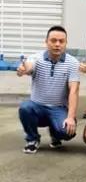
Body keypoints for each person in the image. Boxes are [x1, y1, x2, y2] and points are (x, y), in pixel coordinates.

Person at [17, 25, 79, 154]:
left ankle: (55, 132)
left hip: (58, 108)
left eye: (61, 41)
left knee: (67, 132)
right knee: (25, 108)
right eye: (53, 40)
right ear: (46, 42)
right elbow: (29, 66)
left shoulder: (72, 63)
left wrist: (71, 117)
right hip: (37, 107)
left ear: (66, 43)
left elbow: (74, 91)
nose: (57, 44)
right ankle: (32, 139)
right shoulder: (36, 58)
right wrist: (24, 69)